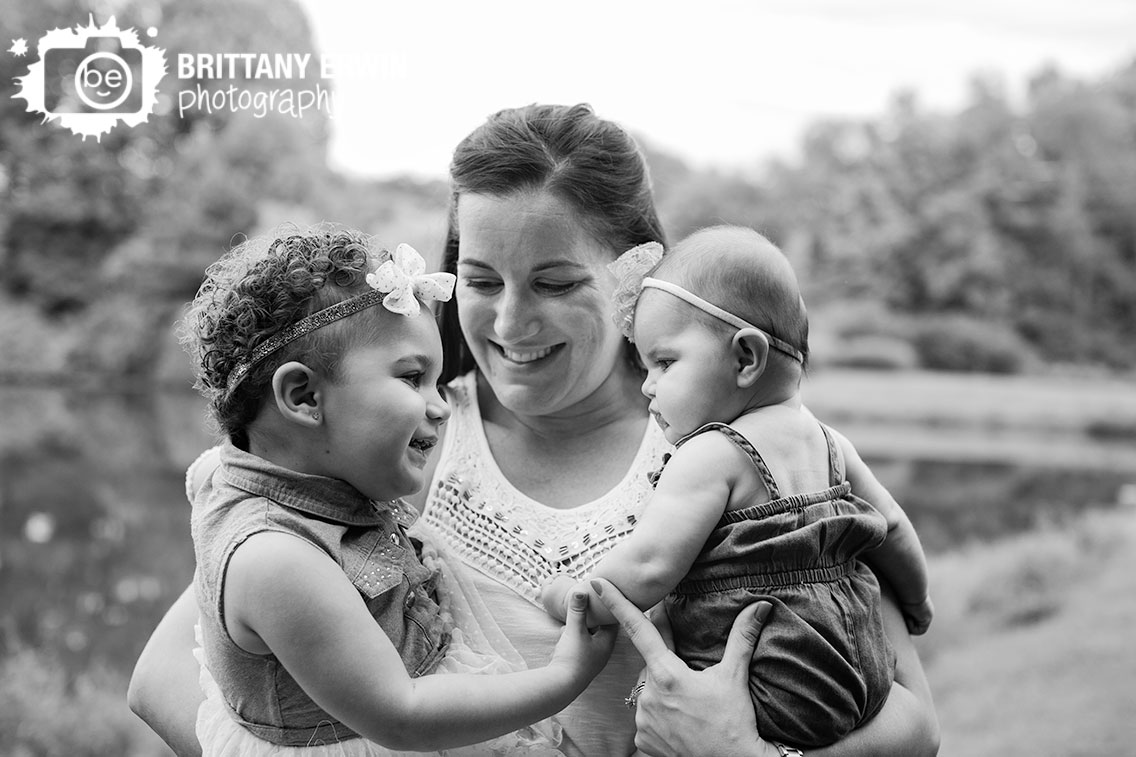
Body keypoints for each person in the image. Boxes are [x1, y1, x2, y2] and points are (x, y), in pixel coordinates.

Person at [129, 103, 940, 756]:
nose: (511, 321)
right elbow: (172, 669)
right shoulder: (398, 439)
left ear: (634, 277)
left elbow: (915, 721)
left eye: (554, 282)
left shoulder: (742, 444)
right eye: (481, 280)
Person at [179, 226, 614, 755]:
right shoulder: (275, 558)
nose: (441, 406)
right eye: (412, 378)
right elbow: (404, 714)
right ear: (304, 396)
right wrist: (564, 677)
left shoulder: (285, 476)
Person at [540, 226, 933, 749]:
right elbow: (893, 527)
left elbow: (649, 566)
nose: (648, 385)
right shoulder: (831, 443)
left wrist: (574, 596)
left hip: (773, 684)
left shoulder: (711, 452)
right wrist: (918, 602)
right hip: (864, 675)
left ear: (745, 358)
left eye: (664, 362)